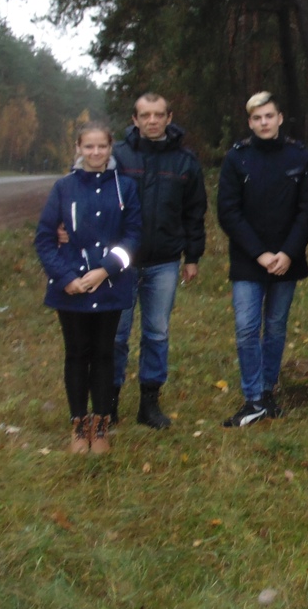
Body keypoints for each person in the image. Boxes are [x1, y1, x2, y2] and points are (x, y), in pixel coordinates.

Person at [34, 119, 142, 455]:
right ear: (79, 149)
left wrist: (105, 270)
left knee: (105, 353)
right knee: (77, 354)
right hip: (72, 289)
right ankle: (79, 424)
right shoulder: (63, 188)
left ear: (111, 148)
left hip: (110, 287)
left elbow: (132, 237)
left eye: (102, 146)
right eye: (89, 146)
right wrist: (65, 278)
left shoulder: (125, 187)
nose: (96, 152)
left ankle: (101, 423)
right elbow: (44, 239)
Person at [110, 92, 208, 430]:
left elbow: (195, 212)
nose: (152, 120)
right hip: (120, 263)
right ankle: (109, 403)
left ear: (169, 118)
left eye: (158, 114)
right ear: (134, 120)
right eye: (145, 115)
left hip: (164, 262)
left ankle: (149, 405)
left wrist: (192, 256)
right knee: (116, 334)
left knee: (156, 333)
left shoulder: (185, 161)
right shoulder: (117, 157)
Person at [216, 92, 308, 428]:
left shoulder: (299, 156)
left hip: (287, 258)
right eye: (257, 118)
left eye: (269, 116)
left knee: (275, 327)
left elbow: (307, 210)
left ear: (280, 118)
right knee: (247, 328)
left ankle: (268, 392)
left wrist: (287, 252)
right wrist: (260, 253)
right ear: (250, 122)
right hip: (249, 259)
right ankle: (252, 397)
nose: (264, 122)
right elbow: (228, 212)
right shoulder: (237, 158)